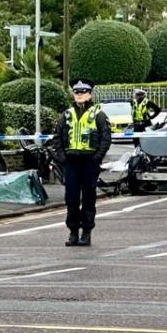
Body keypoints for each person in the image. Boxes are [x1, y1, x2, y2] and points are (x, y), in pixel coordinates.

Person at [52, 79, 111, 247]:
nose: (79, 95)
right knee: (71, 198)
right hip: (71, 162)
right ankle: (72, 232)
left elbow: (106, 138)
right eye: (77, 92)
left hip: (89, 162)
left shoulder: (98, 114)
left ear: (90, 94)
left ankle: (86, 232)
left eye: (83, 92)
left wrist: (96, 158)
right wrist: (62, 158)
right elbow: (57, 138)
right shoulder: (67, 114)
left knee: (88, 198)